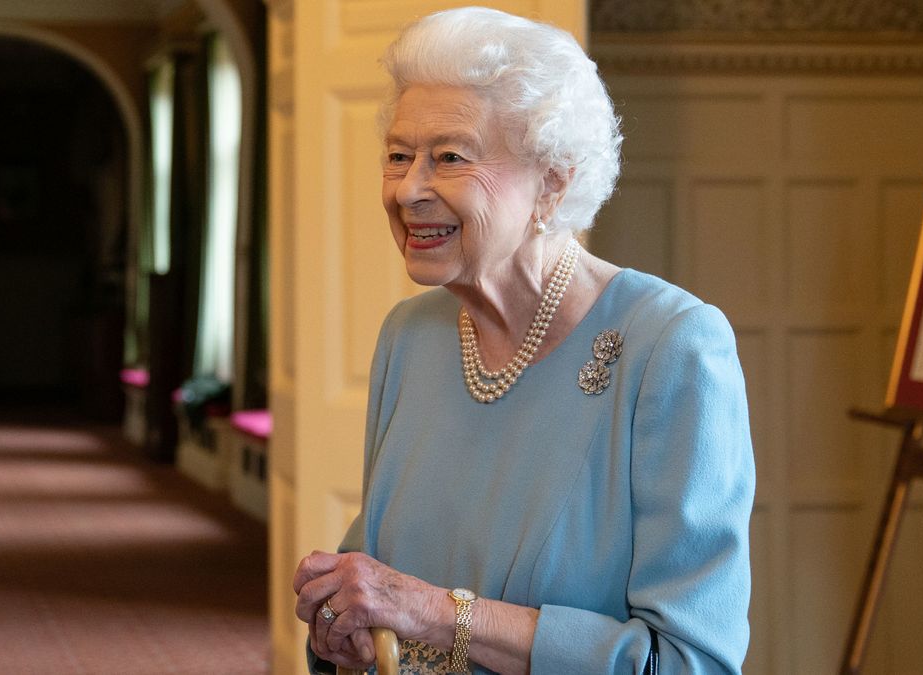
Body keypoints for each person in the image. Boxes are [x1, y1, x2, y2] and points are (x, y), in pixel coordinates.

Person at [293, 7, 754, 674]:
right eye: (398, 155)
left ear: (553, 180)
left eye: (449, 157)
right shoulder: (409, 339)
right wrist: (340, 628)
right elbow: (380, 590)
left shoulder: (670, 347)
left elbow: (689, 661)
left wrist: (437, 612)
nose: (408, 189)